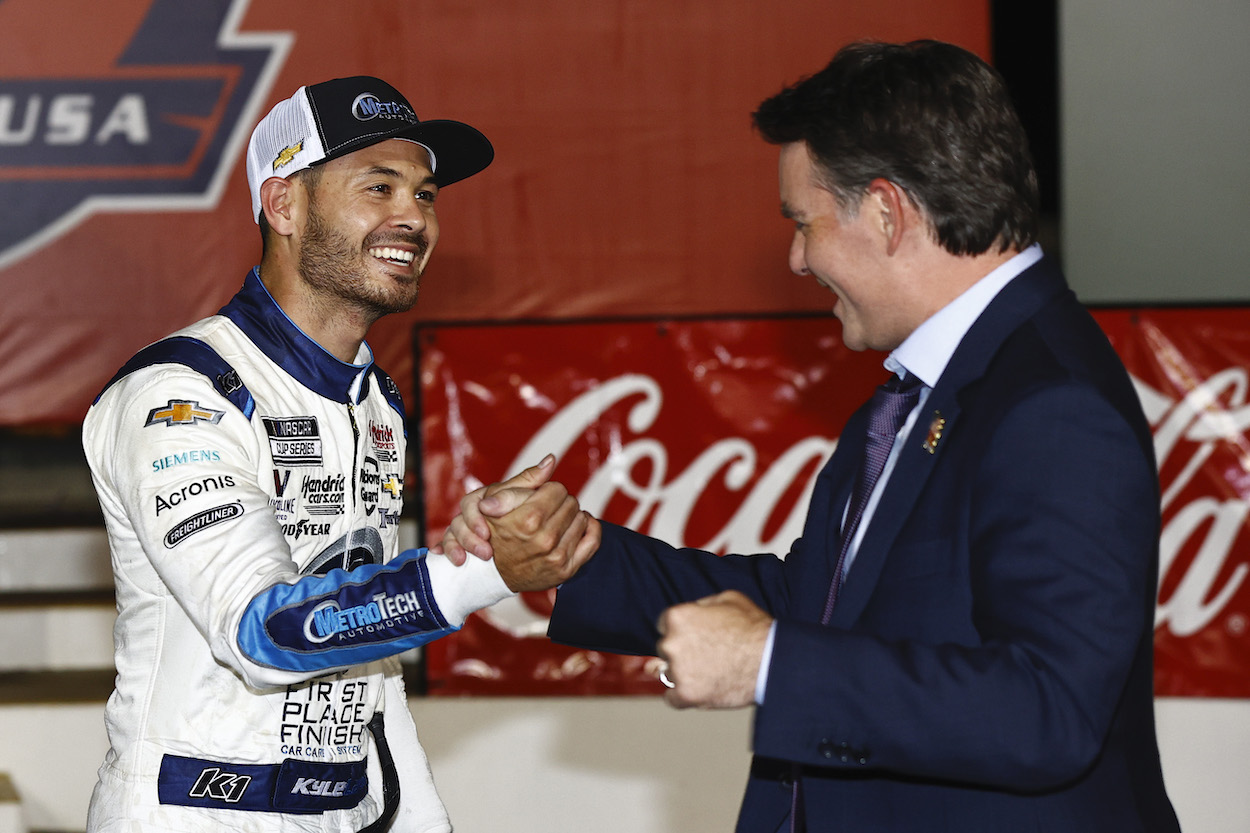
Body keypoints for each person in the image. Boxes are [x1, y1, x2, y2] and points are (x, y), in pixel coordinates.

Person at [438, 41, 1183, 832]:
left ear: (889, 213)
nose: (797, 258)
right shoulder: (928, 388)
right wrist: (571, 557)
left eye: (804, 222)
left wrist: (770, 663)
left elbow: (1048, 708)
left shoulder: (1050, 401)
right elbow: (816, 603)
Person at [82, 76, 594, 832]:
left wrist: (418, 812)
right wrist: (479, 570)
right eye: (378, 186)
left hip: (346, 811)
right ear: (283, 204)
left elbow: (365, 668)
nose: (412, 217)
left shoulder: (374, 402)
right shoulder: (180, 393)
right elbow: (262, 632)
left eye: (425, 195)